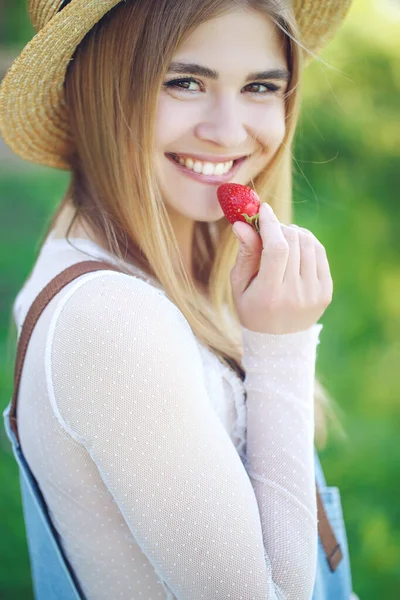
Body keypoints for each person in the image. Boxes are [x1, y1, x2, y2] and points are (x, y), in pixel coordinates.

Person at [0, 0, 360, 598]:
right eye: (185, 82)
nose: (227, 131)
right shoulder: (112, 320)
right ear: (99, 89)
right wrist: (280, 345)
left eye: (260, 86)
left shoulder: (169, 263)